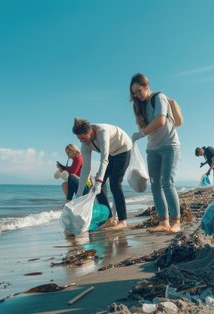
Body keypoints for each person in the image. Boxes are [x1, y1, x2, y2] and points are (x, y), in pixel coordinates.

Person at [130, 73, 181, 234]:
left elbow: (160, 121)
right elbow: (143, 127)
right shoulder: (139, 106)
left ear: (146, 86)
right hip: (152, 149)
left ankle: (176, 222)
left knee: (167, 183)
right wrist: (141, 133)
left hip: (169, 146)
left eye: (139, 91)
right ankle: (163, 221)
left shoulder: (159, 98)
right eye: (134, 93)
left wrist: (141, 134)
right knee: (155, 185)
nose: (137, 95)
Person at [73, 118, 132, 230]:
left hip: (123, 149)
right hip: (111, 153)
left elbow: (104, 160)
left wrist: (99, 182)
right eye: (79, 139)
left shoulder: (102, 132)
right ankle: (109, 219)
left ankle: (122, 221)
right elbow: (85, 168)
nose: (82, 141)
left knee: (115, 183)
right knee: (95, 187)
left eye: (83, 138)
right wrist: (79, 195)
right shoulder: (84, 145)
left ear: (90, 132)